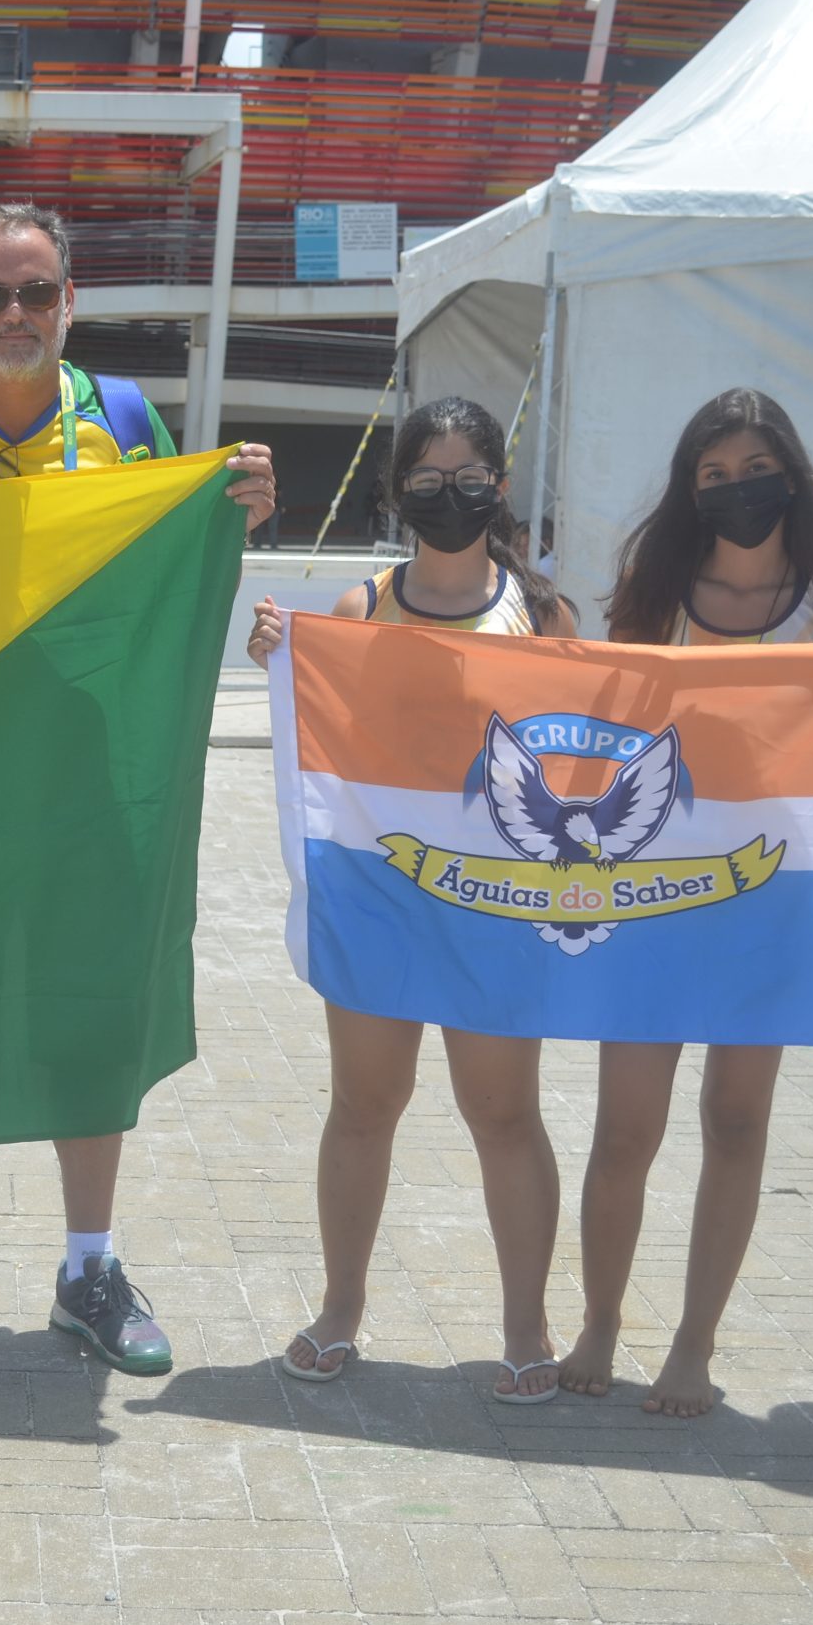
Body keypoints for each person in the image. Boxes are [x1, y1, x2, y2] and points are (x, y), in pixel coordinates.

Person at [0, 199, 279, 1375]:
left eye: (37, 292)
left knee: (85, 1014)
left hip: (89, 783)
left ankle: (89, 1265)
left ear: (69, 301)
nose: (15, 314)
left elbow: (177, 580)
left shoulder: (126, 424)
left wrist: (239, 511)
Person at [557, 387, 813, 1417]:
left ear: (788, 473)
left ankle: (693, 1346)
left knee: (736, 1120)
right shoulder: (653, 591)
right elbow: (597, 727)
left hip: (776, 898)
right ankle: (599, 1325)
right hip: (658, 892)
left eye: (752, 470)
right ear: (687, 489)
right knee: (625, 1128)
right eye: (712, 476)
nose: (734, 490)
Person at [244, 396, 571, 1400]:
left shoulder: (543, 616)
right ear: (398, 493)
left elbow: (583, 756)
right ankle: (340, 1308)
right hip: (384, 900)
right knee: (365, 1104)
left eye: (466, 475)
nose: (447, 493)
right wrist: (280, 655)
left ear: (500, 488)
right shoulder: (358, 609)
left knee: (503, 1112)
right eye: (424, 479)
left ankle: (526, 1324)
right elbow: (324, 733)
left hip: (494, 905)